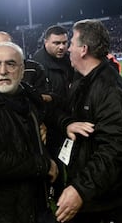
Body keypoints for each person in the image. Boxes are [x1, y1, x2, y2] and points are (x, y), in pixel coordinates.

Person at [55, 19, 122, 223]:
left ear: (83, 49)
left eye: (72, 44)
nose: (68, 49)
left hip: (109, 202)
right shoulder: (83, 79)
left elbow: (115, 149)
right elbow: (64, 110)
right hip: (95, 193)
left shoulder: (109, 89)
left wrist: (80, 189)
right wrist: (67, 123)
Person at [0, 41, 59, 223]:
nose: (3, 71)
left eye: (11, 64)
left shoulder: (27, 97)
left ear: (22, 69)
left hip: (37, 202)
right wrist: (44, 164)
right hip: (5, 211)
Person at [32, 25, 74, 199]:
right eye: (57, 43)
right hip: (50, 126)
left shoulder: (67, 60)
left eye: (65, 42)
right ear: (46, 42)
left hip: (67, 121)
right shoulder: (37, 65)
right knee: (54, 164)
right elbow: (40, 101)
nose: (62, 47)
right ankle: (55, 194)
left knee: (70, 162)